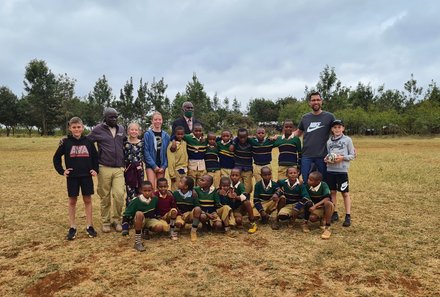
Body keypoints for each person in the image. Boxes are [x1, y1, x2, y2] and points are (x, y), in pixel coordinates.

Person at [53, 117, 99, 240]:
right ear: (70, 128)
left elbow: (95, 157)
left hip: (86, 176)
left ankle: (89, 225)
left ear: (83, 128)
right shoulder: (65, 142)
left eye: (79, 127)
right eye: (74, 127)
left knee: (87, 200)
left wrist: (95, 169)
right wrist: (62, 171)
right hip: (72, 177)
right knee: (72, 201)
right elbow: (56, 158)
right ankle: (72, 227)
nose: (77, 129)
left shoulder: (89, 142)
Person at [88, 107, 126, 233]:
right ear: (105, 117)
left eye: (116, 116)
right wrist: (67, 139)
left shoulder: (121, 129)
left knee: (119, 194)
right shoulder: (98, 129)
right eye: (111, 117)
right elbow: (86, 141)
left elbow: (126, 143)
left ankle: (116, 220)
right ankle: (105, 221)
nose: (114, 119)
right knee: (105, 196)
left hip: (119, 168)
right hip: (104, 167)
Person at [295, 91, 335, 189]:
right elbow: (297, 133)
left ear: (321, 101)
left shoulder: (329, 117)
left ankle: (324, 202)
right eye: (313, 100)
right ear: (309, 102)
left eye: (318, 100)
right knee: (306, 180)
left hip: (323, 155)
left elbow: (338, 132)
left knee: (323, 181)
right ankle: (307, 201)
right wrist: (281, 137)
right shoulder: (305, 118)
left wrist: (348, 145)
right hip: (306, 155)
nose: (315, 102)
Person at [325, 119, 356, 227]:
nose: (337, 129)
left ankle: (348, 215)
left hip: (342, 171)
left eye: (339, 127)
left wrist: (342, 158)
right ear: (332, 129)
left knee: (345, 193)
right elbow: (328, 155)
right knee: (332, 192)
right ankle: (334, 213)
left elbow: (353, 155)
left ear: (343, 128)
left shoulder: (347, 140)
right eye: (335, 127)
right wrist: (327, 159)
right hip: (330, 170)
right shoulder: (329, 141)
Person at [121, 181, 163, 252]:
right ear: (141, 190)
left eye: (149, 190)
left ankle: (145, 230)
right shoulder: (136, 201)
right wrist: (125, 228)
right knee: (139, 213)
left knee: (159, 227)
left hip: (149, 219)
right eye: (145, 191)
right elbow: (126, 214)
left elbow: (156, 211)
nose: (147, 193)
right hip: (138, 220)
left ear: (152, 190)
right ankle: (138, 242)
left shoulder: (155, 199)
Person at [271, 166, 310, 230]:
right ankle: (277, 218)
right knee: (282, 216)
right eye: (290, 173)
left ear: (298, 174)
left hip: (297, 204)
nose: (293, 175)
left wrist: (297, 207)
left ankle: (293, 219)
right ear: (286, 175)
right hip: (287, 205)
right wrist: (276, 194)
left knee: (303, 206)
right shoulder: (283, 182)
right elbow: (277, 185)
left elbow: (306, 197)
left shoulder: (301, 185)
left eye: (295, 173)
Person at [144, 111, 170, 190]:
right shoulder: (148, 134)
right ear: (152, 121)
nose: (157, 121)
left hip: (161, 164)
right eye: (155, 119)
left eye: (159, 119)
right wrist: (154, 166)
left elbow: (167, 153)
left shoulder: (166, 136)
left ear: (162, 121)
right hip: (151, 164)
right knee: (151, 187)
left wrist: (164, 166)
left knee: (160, 188)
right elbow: (146, 151)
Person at [304, 171, 334, 239]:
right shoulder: (307, 186)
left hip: (325, 207)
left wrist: (315, 206)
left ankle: (327, 227)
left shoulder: (324, 185)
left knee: (328, 203)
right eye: (308, 179)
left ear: (318, 181)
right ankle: (321, 219)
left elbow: (327, 198)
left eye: (311, 180)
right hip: (316, 208)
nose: (308, 181)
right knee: (312, 218)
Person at [172, 176, 202, 241]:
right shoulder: (175, 193)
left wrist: (188, 213)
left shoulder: (193, 194)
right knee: (178, 223)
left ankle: (193, 231)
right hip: (180, 215)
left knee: (197, 209)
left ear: (186, 187)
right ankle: (181, 225)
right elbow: (173, 206)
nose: (178, 183)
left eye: (180, 182)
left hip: (190, 215)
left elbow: (198, 206)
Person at [123, 122, 144, 206]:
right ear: (128, 131)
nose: (134, 131)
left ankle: (139, 212)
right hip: (129, 170)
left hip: (139, 170)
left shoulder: (142, 143)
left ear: (139, 132)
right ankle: (129, 213)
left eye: (136, 130)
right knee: (130, 190)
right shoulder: (125, 143)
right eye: (132, 129)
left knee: (140, 189)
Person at [167, 126, 188, 191]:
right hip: (176, 170)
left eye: (182, 134)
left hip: (184, 169)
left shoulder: (184, 143)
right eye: (178, 134)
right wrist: (172, 175)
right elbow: (170, 160)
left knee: (184, 187)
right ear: (175, 134)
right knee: (176, 189)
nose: (180, 136)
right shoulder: (172, 145)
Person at [233, 128, 253, 194]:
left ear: (247, 136)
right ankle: (240, 202)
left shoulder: (250, 143)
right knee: (239, 187)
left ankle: (246, 200)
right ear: (238, 137)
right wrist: (234, 141)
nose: (242, 139)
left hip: (248, 169)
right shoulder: (236, 143)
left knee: (248, 188)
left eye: (244, 137)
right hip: (238, 169)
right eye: (240, 137)